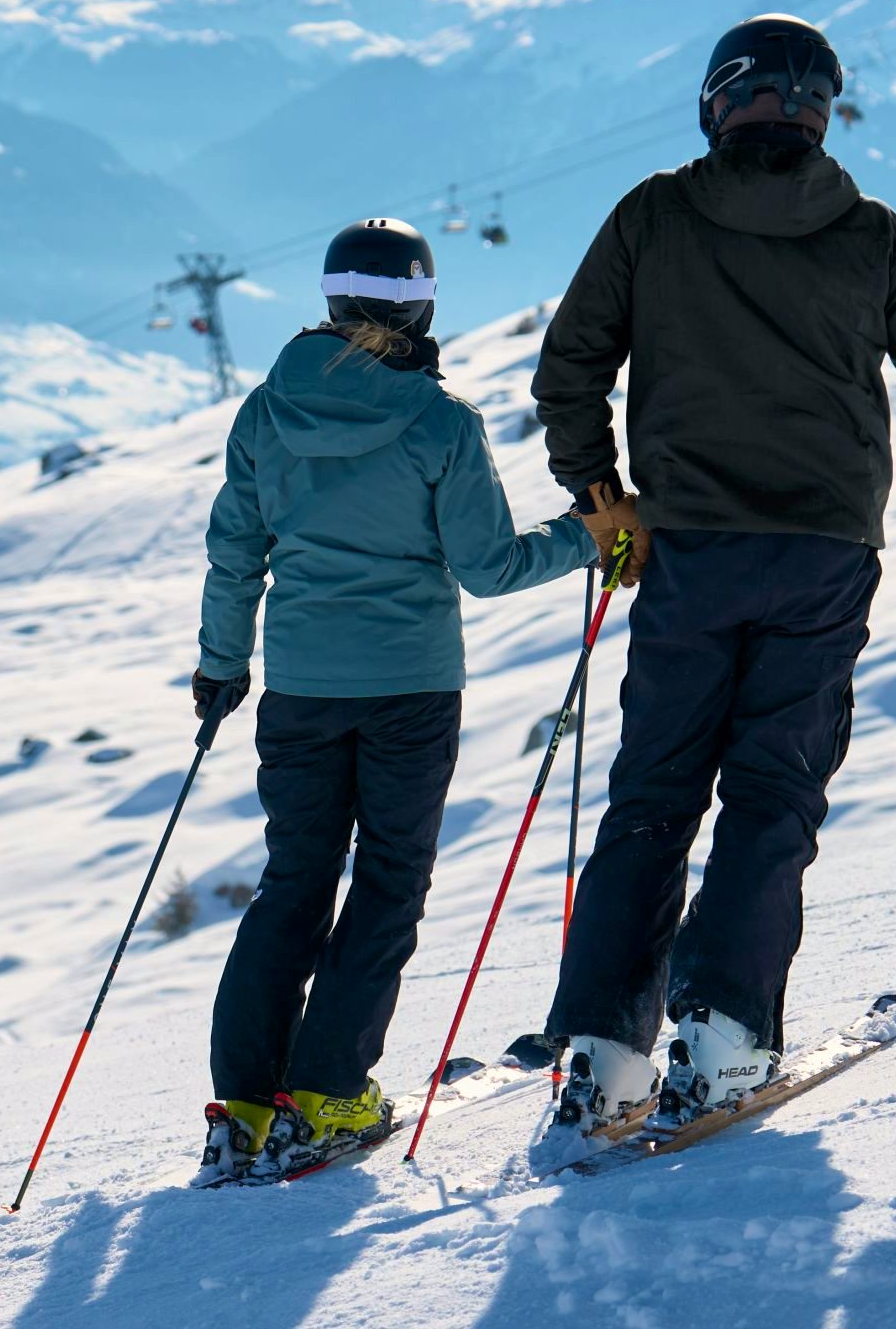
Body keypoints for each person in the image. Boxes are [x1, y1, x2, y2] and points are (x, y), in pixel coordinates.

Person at [531, 13, 896, 1139]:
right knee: (771, 793)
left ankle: (602, 1056)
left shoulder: (652, 216)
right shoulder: (871, 235)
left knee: (651, 796)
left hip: (688, 551)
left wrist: (601, 498)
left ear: (715, 101)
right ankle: (724, 1040)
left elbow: (569, 369)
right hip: (823, 559)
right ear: (822, 113)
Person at [189, 217, 632, 1185]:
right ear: (422, 306)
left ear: (329, 297)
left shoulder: (265, 411)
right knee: (387, 884)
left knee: (292, 884)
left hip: (299, 690)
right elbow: (488, 567)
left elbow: (235, 554)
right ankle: (327, 1095)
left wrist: (221, 665)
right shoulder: (439, 422)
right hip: (409, 691)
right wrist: (588, 537)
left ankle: (245, 1108)